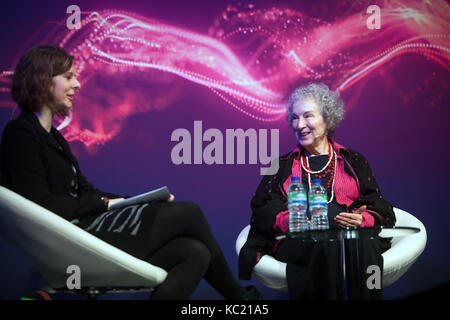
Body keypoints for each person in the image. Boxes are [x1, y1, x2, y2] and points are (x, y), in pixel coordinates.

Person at [0, 45, 262, 300]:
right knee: (189, 212)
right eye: (68, 77)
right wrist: (101, 204)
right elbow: (41, 204)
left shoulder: (55, 138)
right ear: (43, 80)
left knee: (195, 253)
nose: (77, 85)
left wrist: (137, 200)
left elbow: (87, 192)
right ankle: (239, 299)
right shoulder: (20, 134)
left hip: (85, 229)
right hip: (72, 239)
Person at [238, 83, 396, 300]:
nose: (299, 124)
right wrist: (295, 220)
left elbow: (378, 203)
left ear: (327, 118)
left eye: (307, 116)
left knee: (363, 243)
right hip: (302, 240)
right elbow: (262, 208)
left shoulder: (354, 160)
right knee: (325, 243)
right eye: (294, 117)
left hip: (352, 237)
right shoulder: (279, 164)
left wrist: (362, 219)